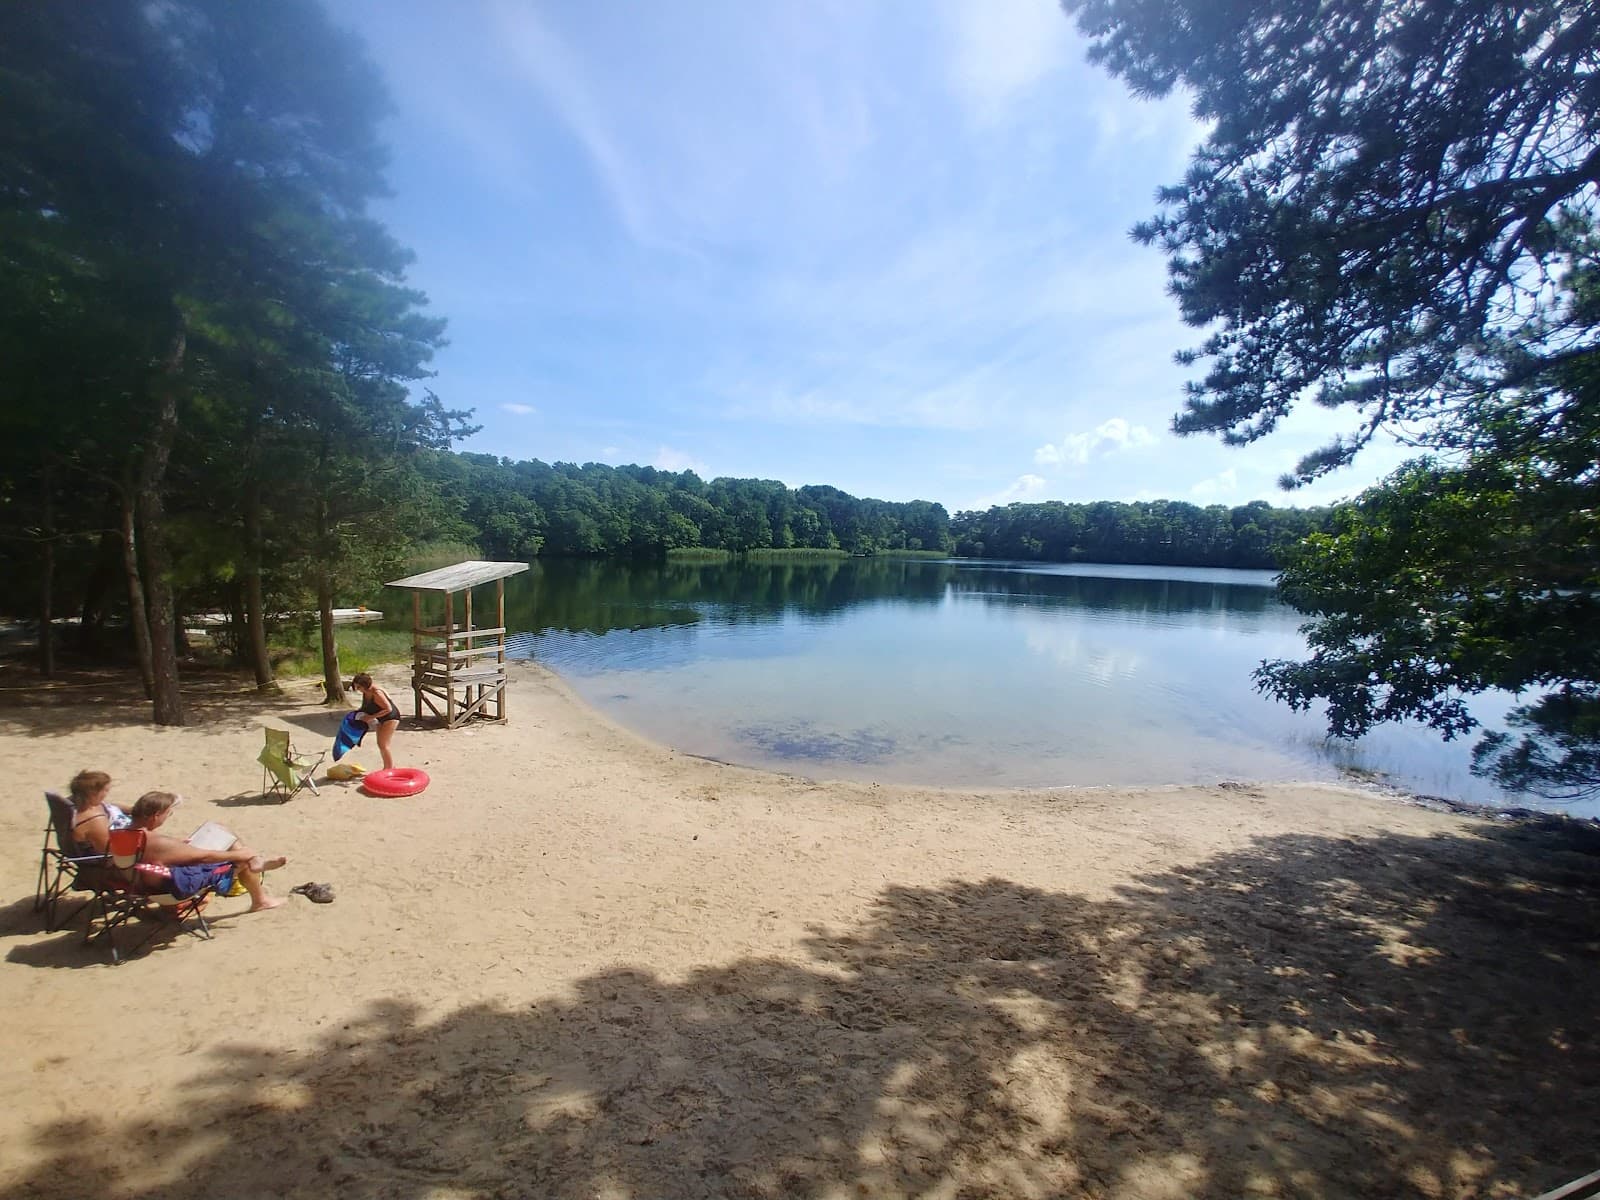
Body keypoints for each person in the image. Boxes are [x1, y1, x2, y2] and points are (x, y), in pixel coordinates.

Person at [74, 783, 287, 913]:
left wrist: (177, 845)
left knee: (217, 830)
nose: (168, 817)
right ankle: (260, 897)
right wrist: (240, 854)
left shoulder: (125, 835)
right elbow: (205, 857)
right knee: (235, 853)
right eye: (168, 814)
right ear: (156, 816)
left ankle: (255, 866)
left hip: (138, 878)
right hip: (170, 885)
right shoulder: (154, 842)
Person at [66, 769, 132, 853]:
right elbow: (111, 852)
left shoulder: (81, 803)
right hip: (120, 850)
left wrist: (133, 810)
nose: (106, 794)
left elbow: (110, 806)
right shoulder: (95, 821)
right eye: (105, 790)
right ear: (93, 793)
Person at [350, 671, 401, 769]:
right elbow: (365, 707)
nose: (357, 689)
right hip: (379, 718)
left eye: (359, 687)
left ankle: (389, 768)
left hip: (390, 718)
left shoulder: (377, 692)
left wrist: (370, 717)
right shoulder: (366, 692)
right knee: (380, 744)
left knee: (384, 745)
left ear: (365, 685)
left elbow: (388, 709)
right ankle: (388, 766)